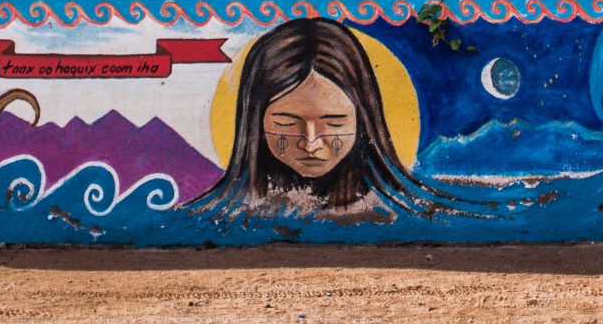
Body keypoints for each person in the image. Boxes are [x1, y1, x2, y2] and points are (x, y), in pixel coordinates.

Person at [186, 17, 460, 220]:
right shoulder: (216, 217)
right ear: (254, 122)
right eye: (286, 122)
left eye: (334, 122)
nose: (311, 143)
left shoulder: (397, 213)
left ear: (363, 120)